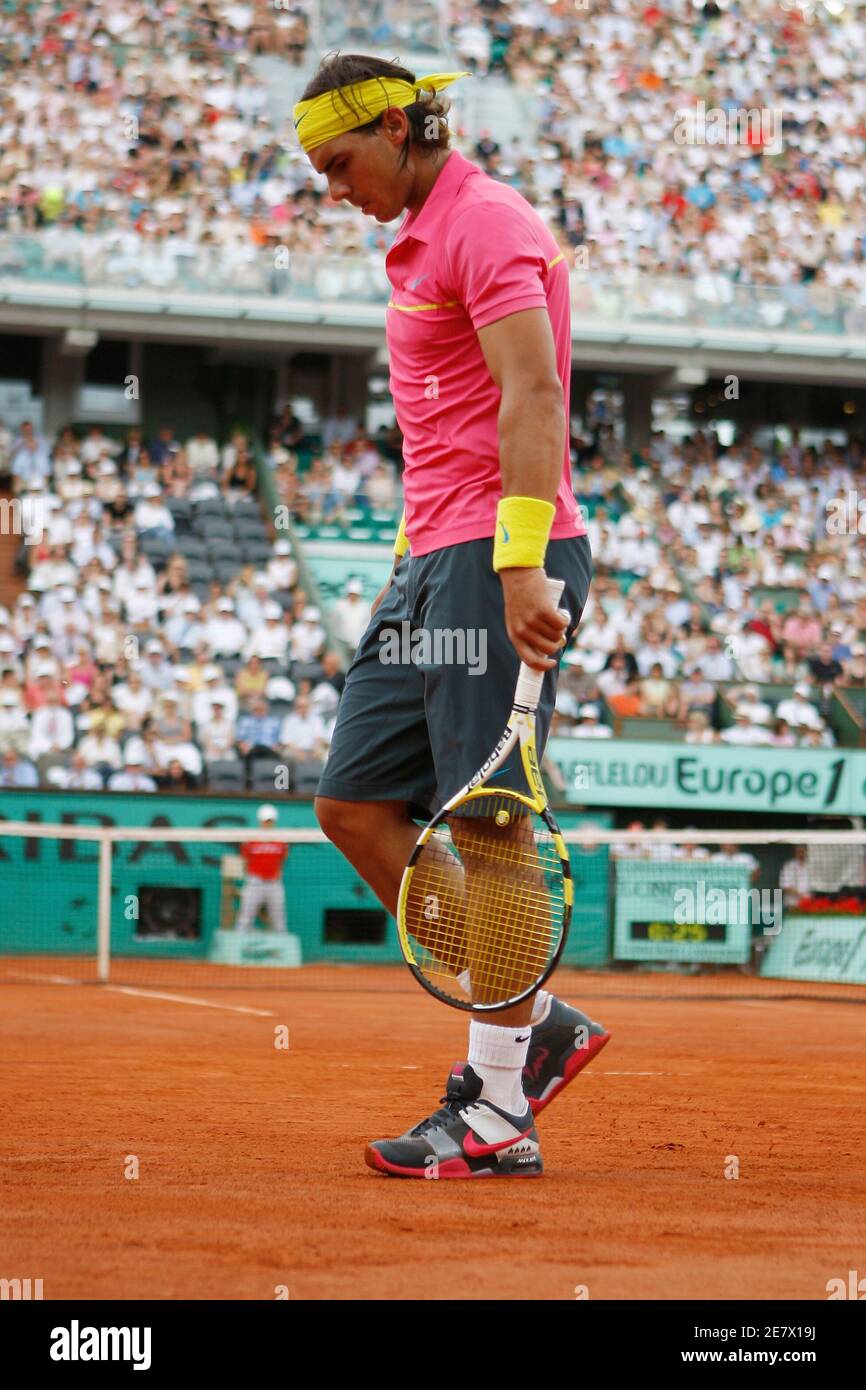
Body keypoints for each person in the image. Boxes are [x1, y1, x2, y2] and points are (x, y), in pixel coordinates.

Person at [296, 53, 607, 1179]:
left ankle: (493, 1107)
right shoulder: (422, 236)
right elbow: (444, 426)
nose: (332, 188)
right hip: (428, 556)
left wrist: (520, 564)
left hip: (496, 552)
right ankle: (536, 1021)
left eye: (339, 162)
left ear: (395, 125)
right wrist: (404, 564)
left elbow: (533, 393)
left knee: (485, 824)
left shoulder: (487, 222)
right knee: (352, 804)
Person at [233, 804, 289, 933]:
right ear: (260, 821)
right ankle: (237, 947)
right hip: (254, 883)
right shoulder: (251, 840)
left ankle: (280, 949)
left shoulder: (281, 841)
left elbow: (283, 859)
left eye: (270, 821)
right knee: (245, 917)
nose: (267, 824)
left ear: (274, 822)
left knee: (279, 919)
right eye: (265, 821)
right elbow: (245, 860)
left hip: (274, 883)